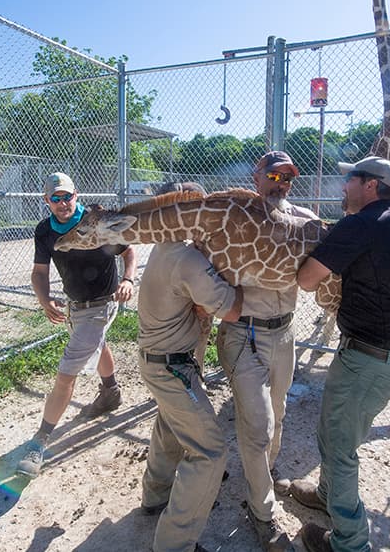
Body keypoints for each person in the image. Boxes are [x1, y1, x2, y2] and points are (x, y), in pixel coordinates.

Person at [287, 156, 390, 552]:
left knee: (340, 448)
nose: (343, 186)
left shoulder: (362, 225)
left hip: (369, 360)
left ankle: (350, 543)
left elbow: (308, 280)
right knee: (333, 434)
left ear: (371, 186)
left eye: (350, 180)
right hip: (378, 357)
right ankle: (327, 496)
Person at [217, 151, 317, 552]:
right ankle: (263, 512)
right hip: (244, 333)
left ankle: (266, 473)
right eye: (272, 175)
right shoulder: (235, 220)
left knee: (278, 413)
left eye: (287, 177)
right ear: (255, 177)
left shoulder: (305, 222)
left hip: (286, 334)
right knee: (257, 423)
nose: (280, 182)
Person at [137, 181, 244, 552]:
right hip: (173, 369)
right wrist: (238, 280)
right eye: (198, 207)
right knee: (211, 452)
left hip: (161, 362)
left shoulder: (166, 247)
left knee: (171, 426)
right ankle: (174, 544)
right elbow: (230, 308)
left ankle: (155, 495)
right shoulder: (186, 258)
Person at [17, 172, 137, 478]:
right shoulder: (45, 231)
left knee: (65, 375)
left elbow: (129, 251)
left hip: (102, 304)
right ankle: (111, 392)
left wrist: (127, 279)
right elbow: (39, 272)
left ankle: (40, 440)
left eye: (66, 196)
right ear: (46, 201)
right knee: (99, 345)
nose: (62, 203)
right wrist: (45, 301)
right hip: (74, 306)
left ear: (76, 195)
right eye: (55, 198)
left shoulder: (97, 221)